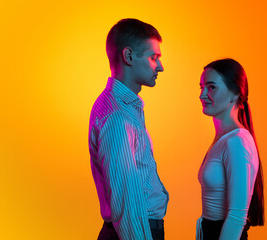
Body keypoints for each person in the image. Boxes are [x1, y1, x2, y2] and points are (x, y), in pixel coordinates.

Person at [88, 18, 169, 240]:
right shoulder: (118, 116)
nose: (160, 67)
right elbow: (126, 202)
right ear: (129, 56)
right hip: (134, 232)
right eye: (154, 57)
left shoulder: (126, 107)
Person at [196, 58, 264, 240]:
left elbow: (236, 217)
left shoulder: (237, 142)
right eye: (201, 87)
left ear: (234, 94)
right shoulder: (223, 140)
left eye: (211, 87)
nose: (202, 95)